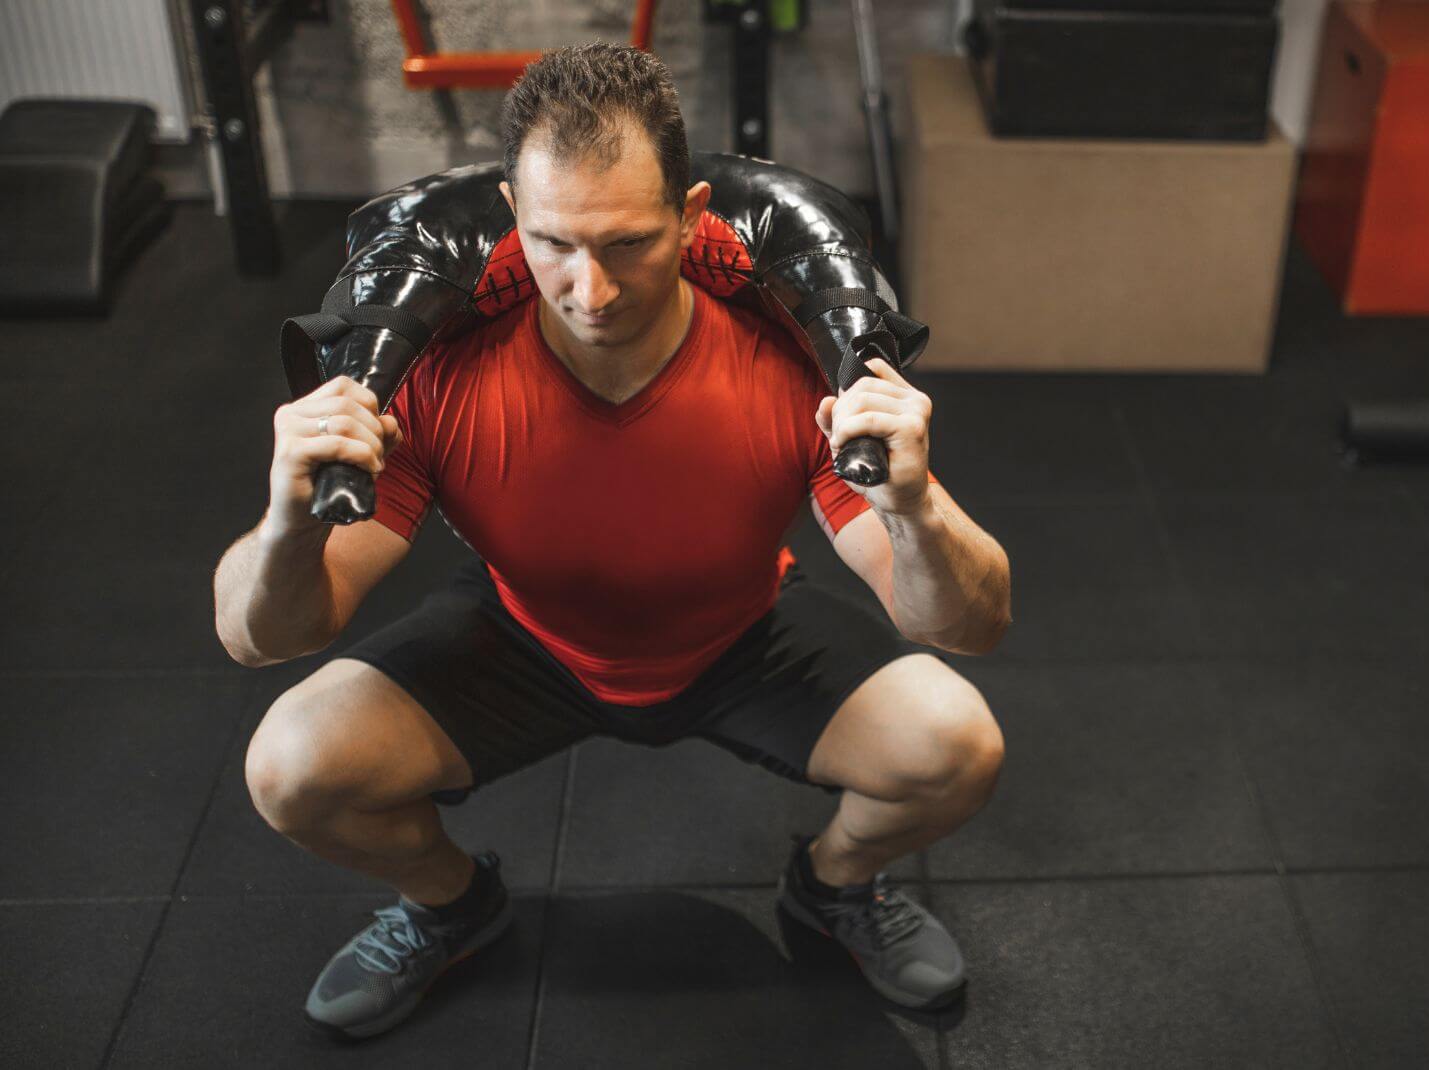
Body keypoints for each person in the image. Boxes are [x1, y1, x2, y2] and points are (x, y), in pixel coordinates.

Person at [212, 43, 1011, 1041]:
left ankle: (833, 886)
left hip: (739, 634)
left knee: (957, 744)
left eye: (628, 242)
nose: (589, 288)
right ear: (511, 211)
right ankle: (450, 904)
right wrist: (287, 518)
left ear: (693, 211)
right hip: (524, 636)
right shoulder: (439, 372)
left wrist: (912, 509)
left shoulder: (791, 356)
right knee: (291, 764)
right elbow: (261, 636)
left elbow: (969, 623)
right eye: (554, 243)